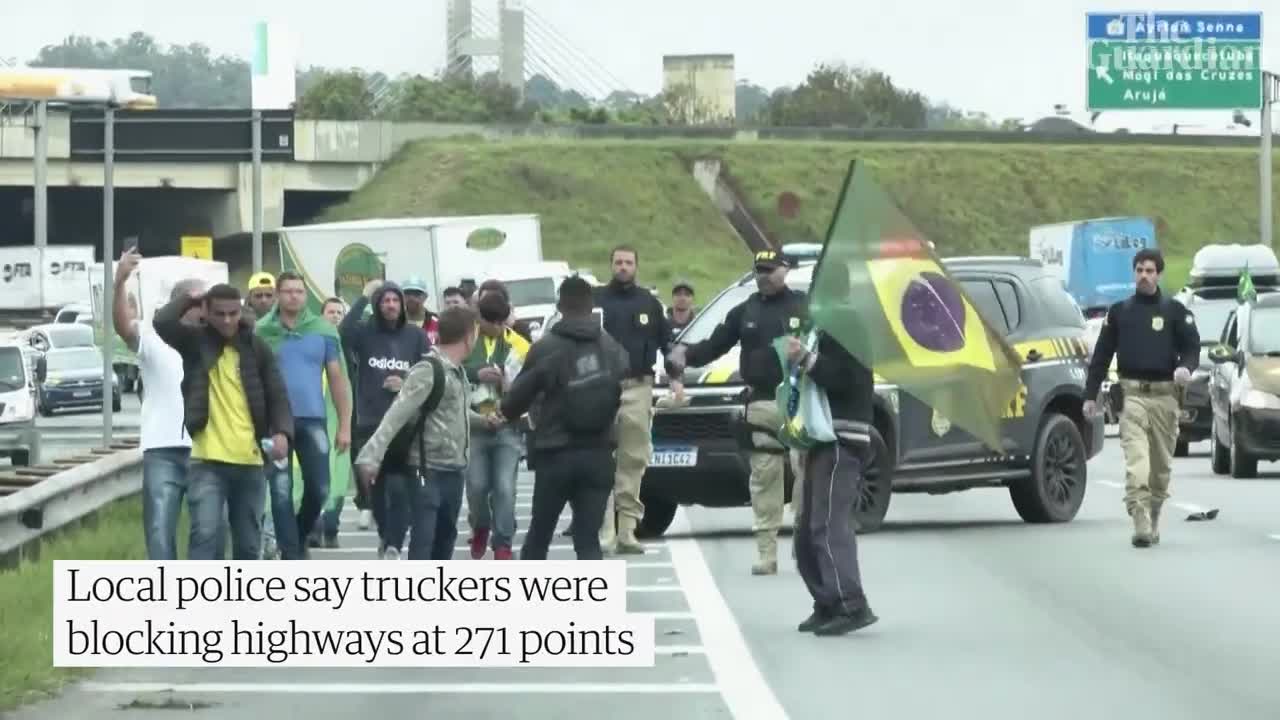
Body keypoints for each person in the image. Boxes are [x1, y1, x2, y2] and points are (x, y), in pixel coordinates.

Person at [667, 249, 807, 575]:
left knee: (808, 476)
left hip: (801, 403)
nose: (763, 275)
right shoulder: (744, 311)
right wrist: (684, 354)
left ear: (784, 270)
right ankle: (766, 553)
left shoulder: (804, 305)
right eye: (759, 269)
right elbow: (713, 346)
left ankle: (807, 547)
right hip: (761, 404)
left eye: (770, 269)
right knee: (764, 478)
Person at [153, 283, 294, 561]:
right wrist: (189, 298)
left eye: (233, 313)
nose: (228, 320)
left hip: (251, 462)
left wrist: (282, 433)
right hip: (207, 462)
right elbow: (163, 322)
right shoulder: (195, 342)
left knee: (248, 545)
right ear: (206, 311)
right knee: (205, 535)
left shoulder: (256, 348)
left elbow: (278, 394)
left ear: (241, 312)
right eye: (220, 314)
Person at [502, 276, 629, 560]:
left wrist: (508, 409)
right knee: (588, 540)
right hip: (598, 454)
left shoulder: (546, 347)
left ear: (560, 305)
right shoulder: (611, 347)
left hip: (554, 453)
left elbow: (514, 402)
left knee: (539, 536)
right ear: (591, 305)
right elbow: (626, 388)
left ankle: (533, 601)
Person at [1084, 247, 1199, 548]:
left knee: (1160, 470)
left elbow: (1191, 348)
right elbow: (1101, 355)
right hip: (1132, 396)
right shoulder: (1120, 312)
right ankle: (1139, 519)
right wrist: (1089, 395)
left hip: (1165, 397)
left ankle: (1155, 512)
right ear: (1134, 273)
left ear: (1158, 274)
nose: (1144, 276)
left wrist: (1185, 368)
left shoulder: (1174, 311)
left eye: (1150, 271)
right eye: (1139, 270)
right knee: (1138, 464)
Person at [354, 306, 486, 560]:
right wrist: (371, 456)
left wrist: (484, 421)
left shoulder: (456, 372)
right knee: (424, 540)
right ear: (469, 336)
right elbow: (396, 414)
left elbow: (453, 413)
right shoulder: (428, 370)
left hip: (454, 469)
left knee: (445, 540)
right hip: (426, 470)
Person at [112, 248, 206, 560]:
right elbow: (124, 328)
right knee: (160, 535)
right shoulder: (153, 338)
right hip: (162, 451)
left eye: (205, 302)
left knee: (207, 535)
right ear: (179, 305)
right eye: (195, 302)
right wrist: (120, 282)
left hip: (206, 450)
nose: (202, 309)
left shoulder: (216, 342)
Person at [255, 272, 352, 560]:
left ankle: (298, 535)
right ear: (278, 295)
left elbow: (337, 379)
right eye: (287, 291)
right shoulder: (262, 331)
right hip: (274, 424)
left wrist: (344, 425)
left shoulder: (323, 330)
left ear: (305, 295)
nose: (293, 296)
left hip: (312, 420)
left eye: (299, 291)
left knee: (320, 487)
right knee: (281, 491)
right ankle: (292, 555)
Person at [340, 279, 431, 559]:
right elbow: (343, 332)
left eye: (395, 300)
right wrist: (364, 297)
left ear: (402, 305)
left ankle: (393, 544)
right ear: (378, 306)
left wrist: (404, 382)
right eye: (385, 301)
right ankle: (385, 536)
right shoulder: (365, 334)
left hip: (405, 424)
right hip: (370, 421)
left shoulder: (415, 336)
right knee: (374, 488)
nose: (391, 305)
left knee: (400, 487)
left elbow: (429, 372)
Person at [593, 245, 672, 555]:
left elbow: (668, 344)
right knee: (600, 458)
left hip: (638, 386)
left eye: (628, 262)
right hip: (600, 387)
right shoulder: (596, 302)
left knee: (633, 458)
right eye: (618, 262)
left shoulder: (650, 304)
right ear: (610, 265)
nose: (623, 267)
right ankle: (604, 528)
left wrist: (677, 378)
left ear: (636, 266)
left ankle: (627, 529)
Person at [464, 290, 530, 560]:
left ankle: (502, 543)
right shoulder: (466, 340)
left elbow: (528, 386)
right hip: (474, 424)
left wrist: (509, 386)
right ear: (480, 318)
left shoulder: (519, 345)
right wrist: (475, 372)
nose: (499, 328)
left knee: (504, 487)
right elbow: (450, 368)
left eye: (503, 323)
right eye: (493, 323)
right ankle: (480, 525)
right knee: (477, 485)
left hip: (506, 425)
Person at [302, 297, 353, 549]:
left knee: (339, 474)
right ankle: (313, 526)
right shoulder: (312, 343)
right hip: (312, 418)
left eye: (339, 312)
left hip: (339, 419)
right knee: (311, 474)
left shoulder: (348, 345)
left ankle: (331, 525)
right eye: (330, 312)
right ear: (321, 316)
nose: (335, 316)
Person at [400, 275, 440, 344]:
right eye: (407, 293)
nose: (411, 298)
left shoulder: (437, 322)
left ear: (425, 297)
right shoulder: (395, 321)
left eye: (416, 294)